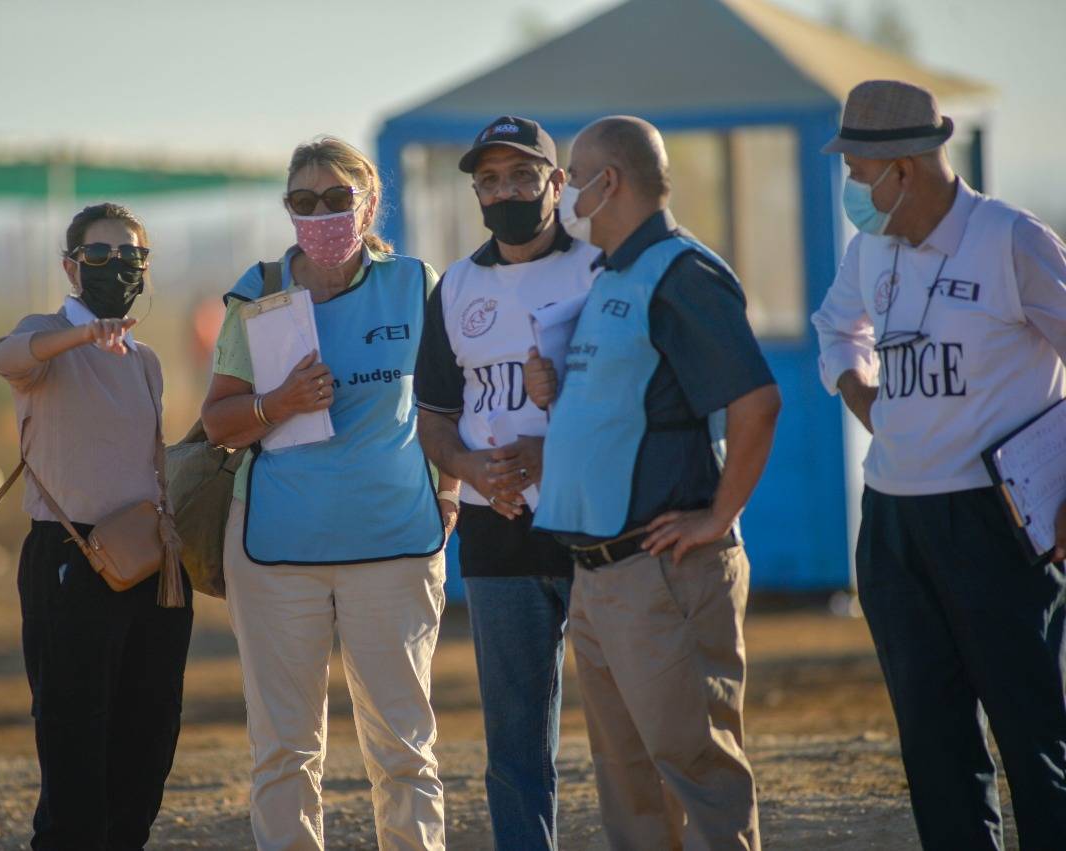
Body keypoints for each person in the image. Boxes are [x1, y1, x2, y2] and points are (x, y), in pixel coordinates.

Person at [812, 79, 1066, 850]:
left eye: (858, 171)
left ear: (904, 169)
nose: (853, 187)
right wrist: (872, 409)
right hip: (894, 524)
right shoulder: (872, 246)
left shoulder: (1011, 239)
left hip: (995, 520)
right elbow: (835, 331)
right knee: (933, 742)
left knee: (1036, 734)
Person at [525, 116, 780, 850]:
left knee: (699, 770)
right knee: (628, 785)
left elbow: (757, 403)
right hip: (603, 577)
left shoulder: (681, 273)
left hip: (663, 573)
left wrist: (716, 517)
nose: (564, 190)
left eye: (573, 176)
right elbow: (628, 409)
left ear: (611, 182)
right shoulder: (615, 274)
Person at [201, 136, 454, 851]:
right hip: (278, 554)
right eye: (303, 202)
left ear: (369, 202)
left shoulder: (415, 284)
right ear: (288, 211)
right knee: (283, 751)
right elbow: (216, 423)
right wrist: (276, 403)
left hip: (395, 547)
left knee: (404, 746)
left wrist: (453, 496)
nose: (321, 215)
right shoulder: (258, 292)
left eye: (337, 198)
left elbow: (452, 399)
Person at [414, 114, 596, 849]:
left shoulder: (599, 268)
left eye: (523, 175)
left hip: (595, 519)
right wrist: (464, 467)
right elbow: (434, 418)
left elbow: (632, 396)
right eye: (489, 180)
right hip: (497, 529)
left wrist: (556, 453)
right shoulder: (455, 286)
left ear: (556, 184)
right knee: (515, 743)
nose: (505, 190)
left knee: (631, 719)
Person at [0, 202, 193, 849]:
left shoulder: (146, 360)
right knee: (74, 735)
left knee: (149, 729)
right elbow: (6, 356)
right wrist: (80, 336)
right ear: (71, 266)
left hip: (149, 562)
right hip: (70, 556)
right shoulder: (47, 338)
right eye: (100, 255)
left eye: (131, 256)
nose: (117, 267)